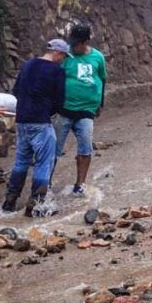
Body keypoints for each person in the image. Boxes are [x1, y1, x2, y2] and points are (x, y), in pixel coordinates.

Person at [2, 39, 69, 216]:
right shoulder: (57, 71)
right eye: (63, 56)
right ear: (57, 53)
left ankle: (10, 200)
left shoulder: (27, 65)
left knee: (21, 162)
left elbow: (16, 91)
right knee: (44, 162)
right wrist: (49, 111)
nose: (63, 59)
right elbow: (60, 100)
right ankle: (36, 204)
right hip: (41, 121)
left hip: (22, 120)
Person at [56, 22, 107, 197]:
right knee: (53, 149)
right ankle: (44, 184)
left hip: (86, 111)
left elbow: (102, 79)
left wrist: (100, 103)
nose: (73, 46)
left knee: (85, 149)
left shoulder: (98, 57)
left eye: (77, 43)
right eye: (72, 42)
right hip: (64, 109)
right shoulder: (66, 56)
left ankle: (80, 184)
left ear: (86, 42)